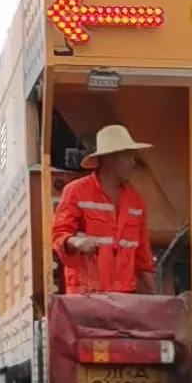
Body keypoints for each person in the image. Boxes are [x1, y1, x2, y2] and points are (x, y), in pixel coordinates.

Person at [52, 124, 158, 294]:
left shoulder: (135, 201)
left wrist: (156, 298)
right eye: (128, 156)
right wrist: (77, 242)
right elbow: (58, 235)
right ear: (110, 159)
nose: (133, 163)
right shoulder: (76, 192)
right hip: (86, 298)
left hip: (123, 299)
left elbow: (143, 256)